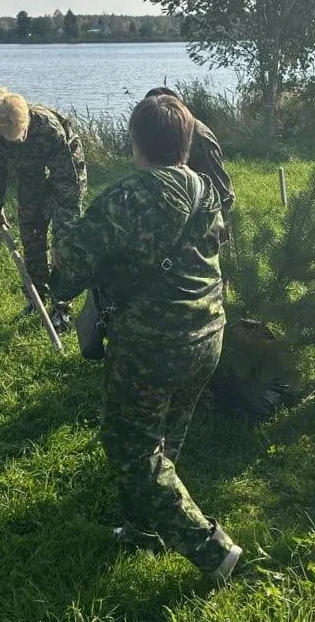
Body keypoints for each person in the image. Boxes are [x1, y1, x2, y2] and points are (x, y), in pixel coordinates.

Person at [49, 94, 243, 584]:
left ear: (136, 142)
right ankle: (144, 530)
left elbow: (69, 267)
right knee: (165, 439)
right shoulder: (204, 188)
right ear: (186, 143)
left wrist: (63, 233)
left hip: (153, 345)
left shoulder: (126, 195)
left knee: (130, 450)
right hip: (208, 334)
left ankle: (212, 549)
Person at [0, 87, 87, 332]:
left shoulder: (49, 129)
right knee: (31, 235)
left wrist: (64, 222)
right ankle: (36, 299)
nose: (12, 140)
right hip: (29, 175)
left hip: (65, 172)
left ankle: (61, 306)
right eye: (6, 137)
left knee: (64, 239)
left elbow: (67, 181)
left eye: (17, 136)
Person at [143, 86, 235, 239]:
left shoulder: (198, 137)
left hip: (206, 226)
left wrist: (217, 230)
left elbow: (220, 189)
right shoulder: (168, 132)